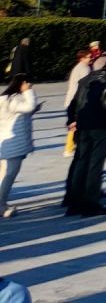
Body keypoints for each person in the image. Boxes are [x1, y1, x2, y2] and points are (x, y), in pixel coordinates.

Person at [64, 54, 106, 215]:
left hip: (83, 125)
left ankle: (74, 201)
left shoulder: (87, 80)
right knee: (95, 165)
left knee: (81, 162)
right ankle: (91, 202)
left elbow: (73, 103)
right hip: (101, 127)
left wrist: (72, 119)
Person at [1, 74, 42, 218]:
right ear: (22, 83)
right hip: (12, 145)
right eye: (28, 83)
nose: (30, 86)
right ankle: (1, 205)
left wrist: (33, 110)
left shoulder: (8, 99)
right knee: (8, 175)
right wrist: (28, 92)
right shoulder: (13, 99)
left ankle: (2, 203)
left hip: (10, 144)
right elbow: (28, 106)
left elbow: (22, 113)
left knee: (5, 175)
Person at [61, 49, 92, 160]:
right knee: (75, 125)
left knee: (74, 124)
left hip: (73, 99)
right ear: (82, 58)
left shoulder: (78, 67)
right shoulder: (84, 69)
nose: (90, 59)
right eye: (88, 57)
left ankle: (71, 147)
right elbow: (87, 85)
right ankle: (69, 148)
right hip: (77, 101)